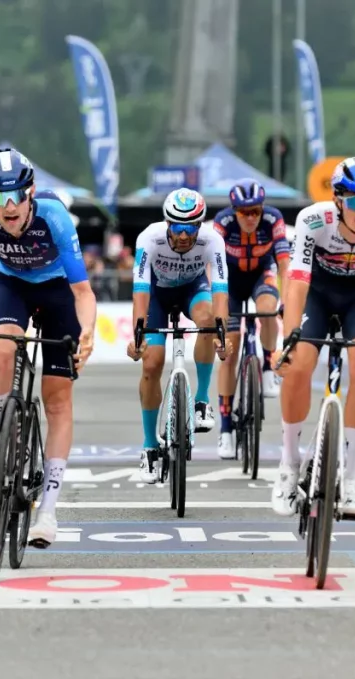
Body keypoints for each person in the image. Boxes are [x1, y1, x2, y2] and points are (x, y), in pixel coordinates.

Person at [0, 147, 96, 547]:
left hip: (59, 290)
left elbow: (83, 291)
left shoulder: (55, 218)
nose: (8, 207)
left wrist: (89, 332)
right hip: (12, 283)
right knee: (3, 346)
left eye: (16, 196)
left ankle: (47, 512)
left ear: (31, 192)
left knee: (58, 400)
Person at [271, 156, 355, 520]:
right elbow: (297, 282)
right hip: (316, 293)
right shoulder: (313, 220)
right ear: (338, 200)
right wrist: (288, 339)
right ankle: (288, 463)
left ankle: (352, 479)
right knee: (299, 363)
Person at [127, 188, 231, 483]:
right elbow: (140, 289)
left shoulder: (213, 240)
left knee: (209, 321)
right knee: (152, 363)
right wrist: (138, 334)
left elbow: (221, 289)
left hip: (192, 290)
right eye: (178, 227)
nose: (184, 236)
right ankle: (149, 446)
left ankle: (200, 401)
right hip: (157, 296)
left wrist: (221, 334)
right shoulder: (150, 237)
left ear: (200, 225)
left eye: (191, 228)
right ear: (167, 223)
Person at [211, 178, 290, 459]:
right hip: (230, 282)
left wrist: (288, 301)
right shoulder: (222, 223)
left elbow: (284, 264)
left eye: (255, 211)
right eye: (244, 212)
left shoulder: (273, 219)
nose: (250, 218)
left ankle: (268, 367)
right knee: (229, 350)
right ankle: (225, 429)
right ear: (234, 211)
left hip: (261, 274)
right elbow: (212, 266)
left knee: (269, 307)